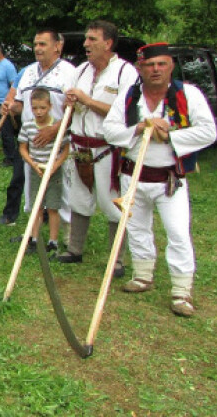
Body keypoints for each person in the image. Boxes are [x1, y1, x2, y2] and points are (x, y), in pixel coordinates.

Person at [102, 43, 217, 317]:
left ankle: (181, 291)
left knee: (177, 232)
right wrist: (139, 128)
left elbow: (209, 132)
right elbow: (109, 130)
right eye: (149, 65)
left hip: (169, 179)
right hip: (133, 175)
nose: (155, 70)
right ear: (140, 68)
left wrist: (170, 136)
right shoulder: (130, 96)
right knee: (137, 227)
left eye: (161, 64)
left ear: (171, 66)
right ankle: (142, 275)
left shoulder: (189, 95)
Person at [57, 21, 139, 278]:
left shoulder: (125, 73)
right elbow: (68, 108)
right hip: (80, 146)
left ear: (108, 43)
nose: (86, 44)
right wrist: (70, 101)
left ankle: (117, 260)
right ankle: (74, 249)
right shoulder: (81, 70)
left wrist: (87, 100)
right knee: (78, 200)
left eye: (92, 39)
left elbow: (125, 113)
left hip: (108, 148)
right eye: (86, 39)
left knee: (112, 203)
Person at [0, 28, 76, 235]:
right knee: (31, 185)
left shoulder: (70, 72)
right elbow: (21, 104)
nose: (37, 48)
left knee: (60, 186)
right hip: (31, 140)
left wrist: (54, 130)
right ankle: (33, 234)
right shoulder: (29, 71)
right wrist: (10, 107)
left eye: (43, 44)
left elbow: (75, 109)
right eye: (36, 44)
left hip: (57, 139)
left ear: (58, 46)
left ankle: (64, 236)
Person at [18, 88, 70, 255]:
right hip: (36, 170)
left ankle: (53, 242)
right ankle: (34, 239)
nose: (39, 112)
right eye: (35, 108)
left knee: (53, 207)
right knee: (36, 206)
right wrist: (32, 164)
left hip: (53, 171)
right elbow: (23, 148)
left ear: (50, 106)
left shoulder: (56, 127)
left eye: (42, 108)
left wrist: (55, 165)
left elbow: (66, 149)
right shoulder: (28, 126)